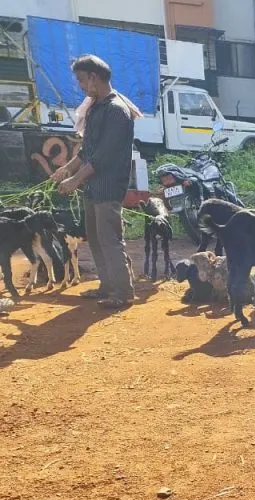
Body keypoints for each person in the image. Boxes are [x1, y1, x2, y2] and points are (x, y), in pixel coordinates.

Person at [50, 55, 136, 309]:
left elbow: (103, 156)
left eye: (81, 80)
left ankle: (123, 293)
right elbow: (88, 150)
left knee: (109, 239)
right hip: (93, 186)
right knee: (96, 238)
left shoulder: (117, 110)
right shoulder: (97, 107)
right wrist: (67, 168)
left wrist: (75, 180)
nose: (79, 85)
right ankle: (107, 286)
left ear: (94, 77)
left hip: (108, 186)